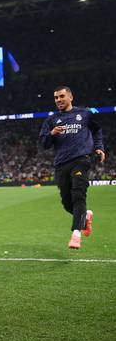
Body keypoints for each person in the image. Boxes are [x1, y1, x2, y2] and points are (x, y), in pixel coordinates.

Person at [39, 86, 105, 249]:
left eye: (62, 96)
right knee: (67, 203)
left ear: (70, 97)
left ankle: (76, 234)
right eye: (56, 98)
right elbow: (43, 143)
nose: (59, 100)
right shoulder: (51, 120)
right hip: (61, 164)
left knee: (78, 194)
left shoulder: (84, 113)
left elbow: (97, 130)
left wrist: (99, 147)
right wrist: (51, 134)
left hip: (81, 159)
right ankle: (85, 217)